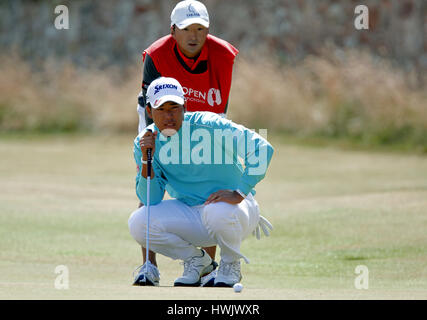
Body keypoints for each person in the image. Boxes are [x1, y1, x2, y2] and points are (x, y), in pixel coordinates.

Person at [128, 77, 274, 287]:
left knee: (217, 210)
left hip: (235, 210)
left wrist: (240, 192)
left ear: (185, 107)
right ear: (149, 112)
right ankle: (198, 261)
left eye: (174, 108)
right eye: (161, 109)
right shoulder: (145, 141)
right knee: (138, 222)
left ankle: (230, 264)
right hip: (193, 213)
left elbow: (262, 148)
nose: (169, 116)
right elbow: (150, 198)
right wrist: (146, 158)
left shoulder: (210, 124)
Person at [133, 0, 239, 285]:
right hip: (160, 118)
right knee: (148, 180)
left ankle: (207, 267)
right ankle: (148, 266)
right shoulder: (155, 55)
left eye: (200, 29)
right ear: (173, 30)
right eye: (186, 29)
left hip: (205, 122)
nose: (194, 36)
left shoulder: (223, 55)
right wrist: (149, 143)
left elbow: (219, 107)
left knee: (209, 183)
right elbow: (150, 108)